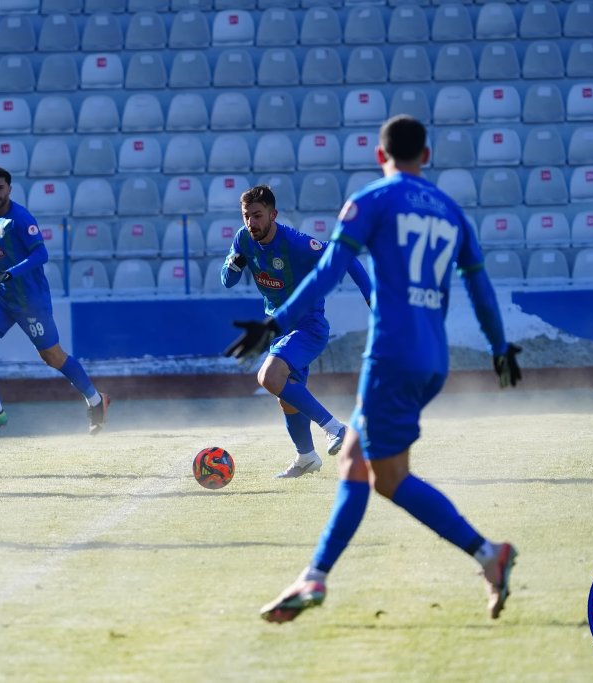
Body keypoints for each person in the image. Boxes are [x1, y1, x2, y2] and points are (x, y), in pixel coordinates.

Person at [226, 116, 522, 623]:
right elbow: (480, 288)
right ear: (425, 157)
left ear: (380, 157)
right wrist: (500, 348)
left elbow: (326, 273)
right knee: (377, 472)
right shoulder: (451, 212)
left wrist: (273, 325)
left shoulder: (371, 200)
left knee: (368, 469)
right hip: (433, 356)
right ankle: (487, 556)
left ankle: (317, 576)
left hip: (391, 353)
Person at [222, 186, 372, 478]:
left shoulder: (296, 243)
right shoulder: (243, 239)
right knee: (286, 396)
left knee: (268, 376)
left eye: (257, 215)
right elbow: (227, 280)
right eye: (246, 216)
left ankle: (336, 428)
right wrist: (233, 264)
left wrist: (372, 298)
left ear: (273, 214)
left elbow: (347, 258)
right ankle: (306, 457)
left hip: (308, 327)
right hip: (277, 330)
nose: (251, 222)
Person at [0, 166, 106, 434]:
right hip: (2, 298)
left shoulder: (21, 218)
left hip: (30, 301)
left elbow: (41, 255)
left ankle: (96, 400)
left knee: (53, 356)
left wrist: (7, 274)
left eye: (0, 187)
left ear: (9, 189)